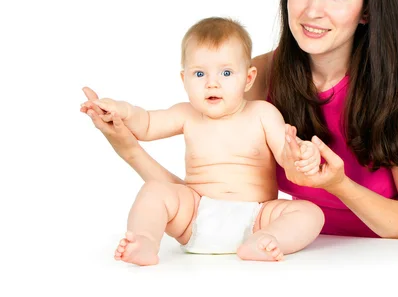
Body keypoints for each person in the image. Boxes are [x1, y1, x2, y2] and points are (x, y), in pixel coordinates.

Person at [82, 0, 398, 245]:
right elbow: (204, 203)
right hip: (303, 258)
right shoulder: (251, 80)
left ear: (367, 9)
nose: (312, 10)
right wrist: (129, 149)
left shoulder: (397, 83)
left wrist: (338, 185)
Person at [81, 17, 325, 266]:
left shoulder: (262, 113)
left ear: (249, 78)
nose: (212, 83)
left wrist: (302, 153)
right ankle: (144, 240)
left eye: (226, 72)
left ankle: (267, 240)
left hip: (257, 217)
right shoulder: (186, 114)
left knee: (310, 213)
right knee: (154, 191)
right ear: (184, 79)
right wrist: (118, 109)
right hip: (195, 216)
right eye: (199, 73)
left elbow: (286, 155)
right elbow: (146, 124)